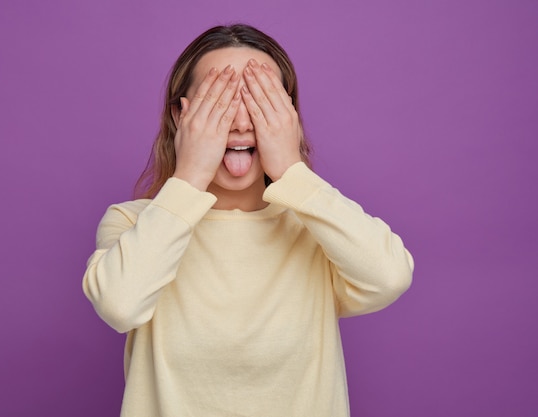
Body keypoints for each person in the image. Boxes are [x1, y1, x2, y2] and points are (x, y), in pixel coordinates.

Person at [82, 23, 414, 417]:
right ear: (180, 115)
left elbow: (388, 276)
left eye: (261, 101)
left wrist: (291, 168)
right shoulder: (134, 224)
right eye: (218, 100)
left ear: (288, 116)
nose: (240, 122)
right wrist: (189, 174)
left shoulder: (316, 227)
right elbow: (120, 305)